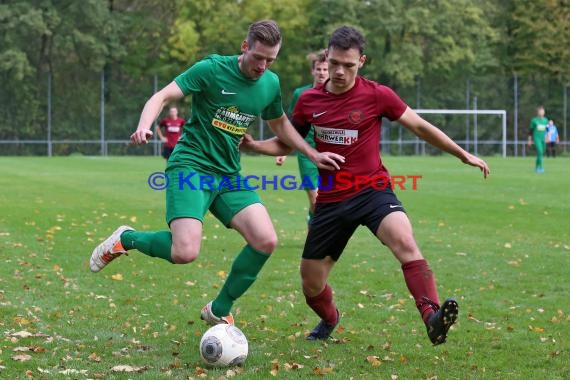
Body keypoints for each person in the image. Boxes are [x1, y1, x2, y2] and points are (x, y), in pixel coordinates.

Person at [241, 26, 490, 345]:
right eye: (334, 64)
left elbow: (420, 127)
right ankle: (330, 319)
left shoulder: (377, 95)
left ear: (362, 61)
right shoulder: (308, 101)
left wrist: (462, 154)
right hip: (331, 201)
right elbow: (287, 143)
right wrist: (255, 146)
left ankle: (431, 316)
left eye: (349, 65)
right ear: (326, 58)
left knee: (404, 240)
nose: (340, 71)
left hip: (373, 191)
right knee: (311, 284)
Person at [89, 20, 343, 326]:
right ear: (245, 46)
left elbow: (281, 126)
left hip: (229, 175)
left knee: (265, 240)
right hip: (191, 167)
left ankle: (218, 309)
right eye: (258, 57)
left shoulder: (270, 84)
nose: (263, 66)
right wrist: (145, 125)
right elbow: (162, 96)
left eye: (270, 60)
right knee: (184, 252)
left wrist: (313, 153)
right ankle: (126, 238)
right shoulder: (210, 69)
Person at [276, 51, 328, 225]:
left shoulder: (334, 95)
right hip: (306, 154)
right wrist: (283, 149)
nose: (322, 73)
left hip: (328, 153)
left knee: (326, 200)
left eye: (325, 69)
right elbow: (291, 125)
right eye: (319, 69)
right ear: (313, 71)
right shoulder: (301, 94)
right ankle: (313, 224)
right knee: (315, 199)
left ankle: (315, 224)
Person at [527, 106, 548, 173]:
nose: (542, 112)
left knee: (541, 153)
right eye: (540, 111)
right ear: (538, 112)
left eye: (543, 111)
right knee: (540, 151)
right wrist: (529, 140)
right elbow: (530, 131)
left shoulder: (545, 120)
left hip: (543, 139)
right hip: (537, 138)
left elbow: (547, 130)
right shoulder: (534, 120)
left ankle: (536, 167)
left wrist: (547, 137)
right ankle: (540, 167)